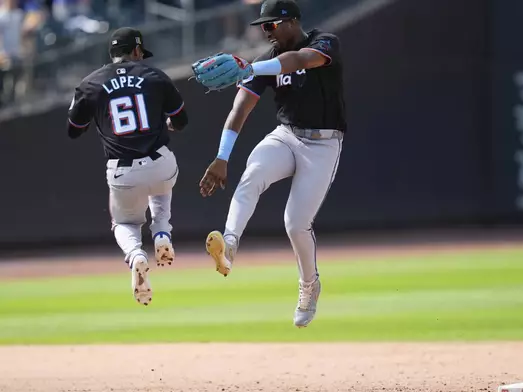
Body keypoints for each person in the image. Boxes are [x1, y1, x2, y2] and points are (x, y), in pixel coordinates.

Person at [191, 0, 346, 328]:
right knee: (253, 174)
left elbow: (300, 60)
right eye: (263, 27)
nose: (266, 32)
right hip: (287, 136)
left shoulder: (324, 41)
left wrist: (251, 68)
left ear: (291, 22)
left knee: (295, 223)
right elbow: (240, 109)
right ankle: (229, 246)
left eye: (271, 25)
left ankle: (309, 286)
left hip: (323, 144)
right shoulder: (264, 61)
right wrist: (221, 157)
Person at [67, 27, 188, 306]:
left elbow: (74, 129)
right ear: (136, 51)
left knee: (124, 222)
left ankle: (136, 255)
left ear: (112, 54)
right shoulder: (156, 76)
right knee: (161, 184)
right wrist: (167, 123)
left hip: (123, 172)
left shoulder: (90, 84)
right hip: (162, 163)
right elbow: (181, 121)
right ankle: (161, 232)